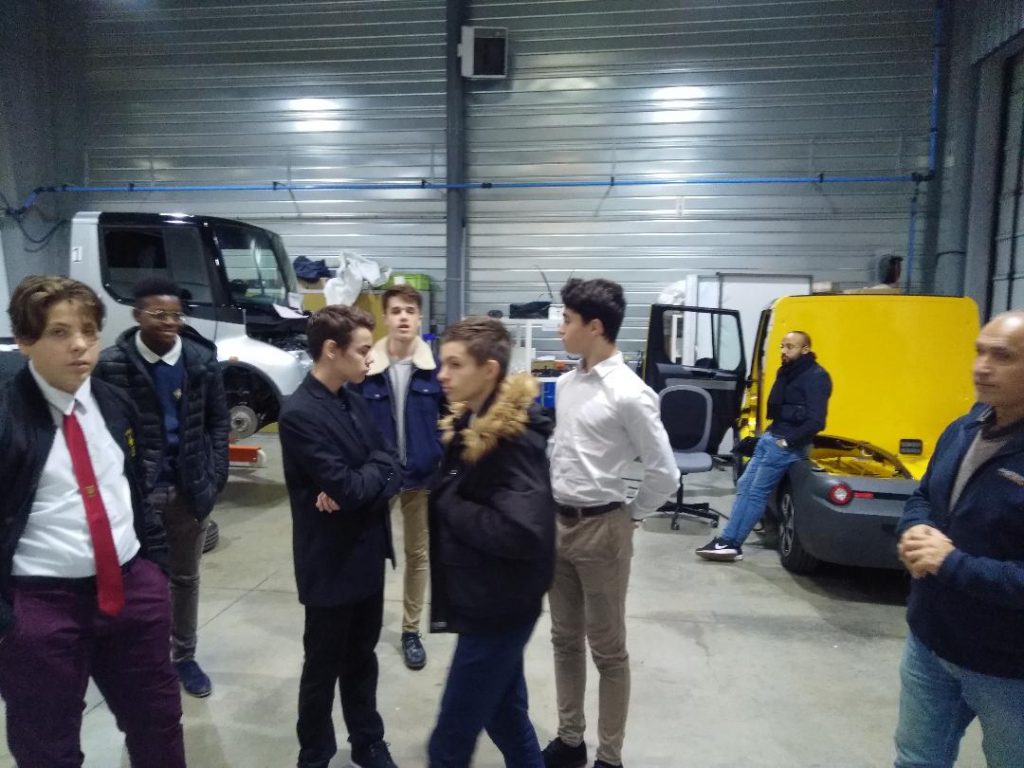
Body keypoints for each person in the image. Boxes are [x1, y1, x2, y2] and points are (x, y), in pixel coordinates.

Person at [0, 276, 185, 767]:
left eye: (88, 331)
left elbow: (134, 489)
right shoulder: (7, 416)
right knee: (47, 745)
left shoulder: (112, 402)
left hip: (131, 589)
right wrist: (8, 621)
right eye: (59, 333)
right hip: (42, 605)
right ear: (25, 341)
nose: (80, 344)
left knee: (159, 722)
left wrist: (154, 568)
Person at [544, 278, 678, 768]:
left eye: (567, 320)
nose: (560, 329)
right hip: (557, 525)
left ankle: (609, 756)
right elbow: (560, 450)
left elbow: (664, 472)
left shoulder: (630, 394)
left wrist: (632, 515)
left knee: (607, 649)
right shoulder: (564, 385)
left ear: (595, 327)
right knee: (564, 640)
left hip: (603, 529)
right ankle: (570, 741)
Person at [892, 311, 1024, 768]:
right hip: (931, 642)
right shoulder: (964, 428)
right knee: (915, 760)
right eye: (979, 352)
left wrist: (951, 563)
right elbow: (924, 495)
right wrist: (914, 528)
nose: (981, 367)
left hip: (1008, 668)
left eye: (1002, 356)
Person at [427, 317, 555, 768]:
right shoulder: (472, 421)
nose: (442, 375)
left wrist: (451, 505)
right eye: (442, 363)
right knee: (506, 719)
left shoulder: (509, 441)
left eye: (454, 364)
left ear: (489, 370)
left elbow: (523, 531)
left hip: (498, 609)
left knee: (448, 744)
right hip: (491, 597)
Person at [278, 304, 403, 768]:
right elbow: (350, 486)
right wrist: (365, 478)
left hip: (367, 553)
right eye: (363, 349)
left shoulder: (353, 396)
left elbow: (391, 461)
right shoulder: (299, 413)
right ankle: (315, 753)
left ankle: (368, 741)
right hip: (330, 562)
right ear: (332, 350)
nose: (370, 358)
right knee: (322, 667)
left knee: (362, 658)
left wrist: (364, 478)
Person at [94, 276, 229, 698]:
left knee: (185, 578)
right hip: (139, 494)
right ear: (137, 315)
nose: (170, 322)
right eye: (159, 314)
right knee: (140, 581)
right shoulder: (112, 364)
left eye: (176, 314)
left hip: (190, 488)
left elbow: (218, 422)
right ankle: (144, 658)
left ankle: (184, 657)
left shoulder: (200, 361)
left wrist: (215, 475)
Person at [355, 284, 443, 671]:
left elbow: (451, 420)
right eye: (396, 311)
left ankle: (410, 631)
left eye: (410, 310)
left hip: (421, 476)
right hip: (379, 477)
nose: (403, 317)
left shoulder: (435, 370)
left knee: (417, 555)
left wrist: (441, 458)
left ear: (420, 318)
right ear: (385, 318)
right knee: (369, 552)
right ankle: (364, 626)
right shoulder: (367, 368)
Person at [696, 330, 832, 562]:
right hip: (771, 438)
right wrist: (768, 436)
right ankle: (727, 540)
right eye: (782, 346)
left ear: (805, 349)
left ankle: (732, 543)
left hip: (785, 446)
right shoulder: (787, 371)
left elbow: (816, 421)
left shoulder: (816, 377)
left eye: (790, 347)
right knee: (745, 485)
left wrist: (787, 442)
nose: (784, 351)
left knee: (756, 493)